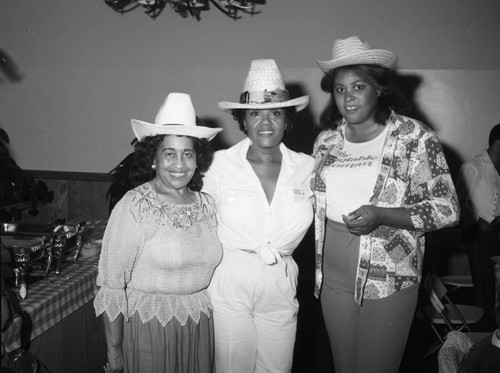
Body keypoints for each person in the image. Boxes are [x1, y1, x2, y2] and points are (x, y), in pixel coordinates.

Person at [311, 36, 461, 373]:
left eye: (359, 86)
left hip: (389, 273)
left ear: (379, 88)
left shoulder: (414, 137)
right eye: (339, 89)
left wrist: (382, 215)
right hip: (332, 272)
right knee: (344, 366)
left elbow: (448, 207)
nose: (347, 97)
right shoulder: (326, 141)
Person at [93, 92, 223, 373]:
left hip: (199, 325)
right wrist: (114, 352)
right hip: (149, 328)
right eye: (169, 154)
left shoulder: (207, 206)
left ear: (197, 159)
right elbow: (112, 286)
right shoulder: (134, 205)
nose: (179, 164)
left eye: (187, 153)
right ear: (153, 158)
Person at [202, 59, 314, 373]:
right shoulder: (217, 165)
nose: (265, 123)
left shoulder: (308, 168)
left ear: (287, 119)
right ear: (243, 120)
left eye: (275, 113)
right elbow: (190, 215)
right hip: (230, 280)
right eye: (255, 114)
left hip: (281, 280)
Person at [456, 123, 500, 329]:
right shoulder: (473, 167)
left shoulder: (497, 171)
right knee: (485, 292)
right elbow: (458, 203)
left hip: (495, 235)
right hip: (478, 237)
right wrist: (478, 221)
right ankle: (483, 338)